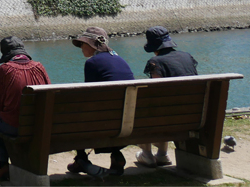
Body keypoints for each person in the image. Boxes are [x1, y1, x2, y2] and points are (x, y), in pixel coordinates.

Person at [68, 27, 133, 176]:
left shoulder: (92, 63)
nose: (81, 48)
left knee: (75, 115)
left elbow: (89, 96)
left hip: (106, 122)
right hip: (127, 121)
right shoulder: (119, 59)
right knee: (112, 108)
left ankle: (81, 159)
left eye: (83, 44)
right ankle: (116, 155)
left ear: (92, 45)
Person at [0, 37, 51, 182]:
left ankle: (4, 165)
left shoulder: (4, 70)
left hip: (15, 127)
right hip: (40, 127)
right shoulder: (39, 67)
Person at [136, 27, 198, 167]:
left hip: (169, 116)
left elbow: (156, 91)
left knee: (147, 107)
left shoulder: (156, 62)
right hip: (193, 112)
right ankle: (162, 154)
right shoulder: (187, 56)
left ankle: (147, 155)